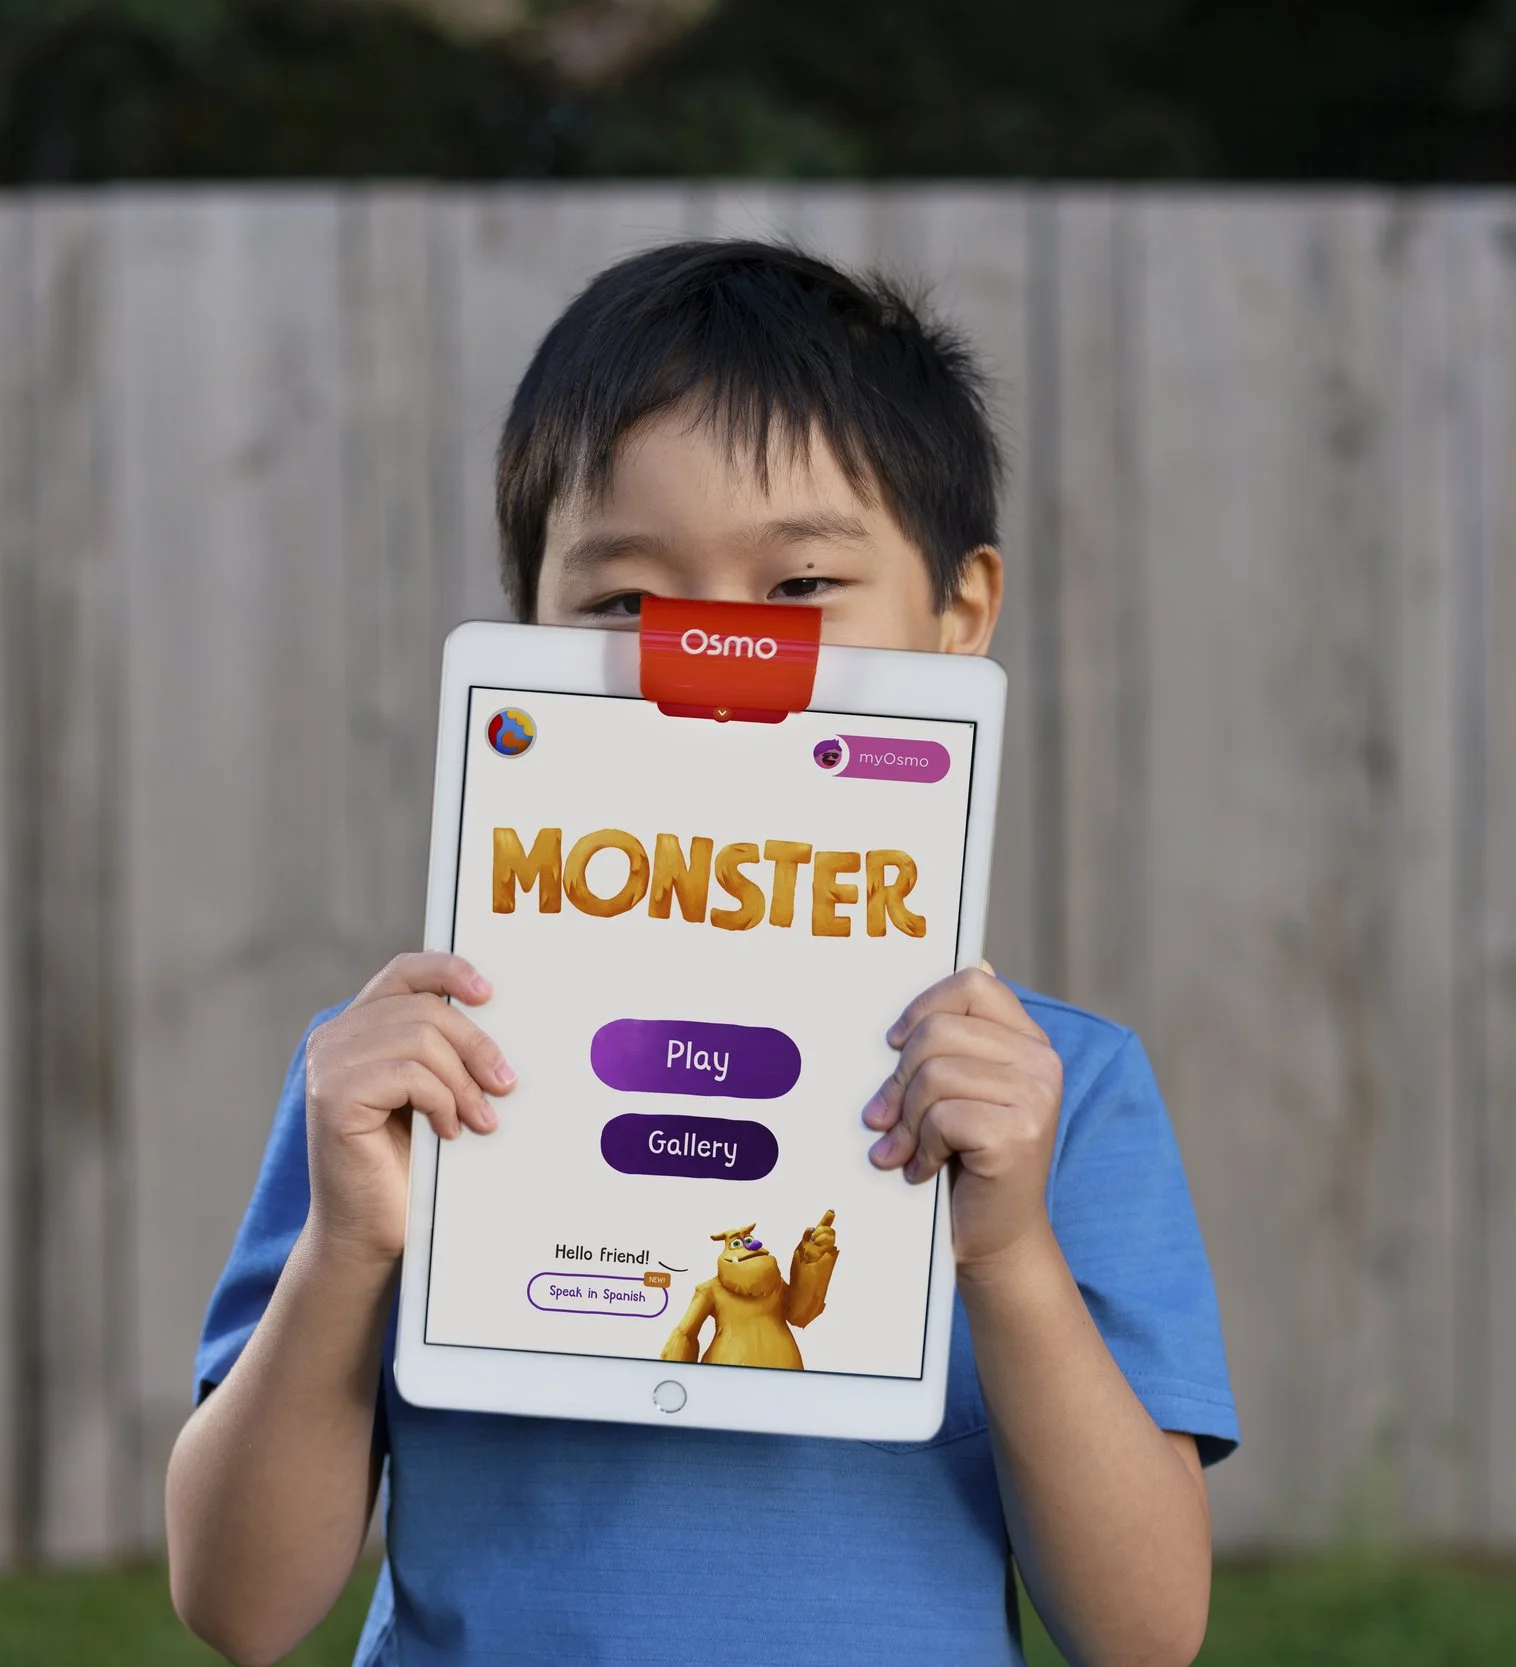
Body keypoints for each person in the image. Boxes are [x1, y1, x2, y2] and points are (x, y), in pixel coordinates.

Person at [165, 241, 1238, 1667]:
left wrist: (1011, 1255)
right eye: (626, 601)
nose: (718, 651)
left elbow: (1147, 1633)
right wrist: (349, 1243)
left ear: (959, 616)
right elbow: (237, 1607)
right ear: (532, 633)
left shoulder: (1053, 1094)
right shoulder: (392, 1081)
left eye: (801, 583)